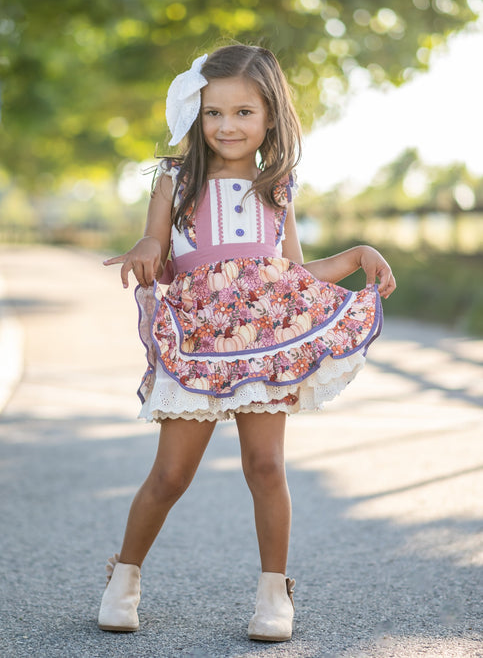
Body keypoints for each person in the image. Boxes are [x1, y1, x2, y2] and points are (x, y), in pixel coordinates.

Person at [98, 45, 396, 642]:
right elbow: (155, 247)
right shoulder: (174, 179)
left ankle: (273, 591)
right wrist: (145, 251)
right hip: (201, 344)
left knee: (266, 466)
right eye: (213, 113)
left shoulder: (277, 185)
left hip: (264, 344)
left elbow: (293, 273)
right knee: (172, 474)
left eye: (243, 112)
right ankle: (123, 577)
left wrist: (359, 254)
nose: (227, 126)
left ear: (269, 116)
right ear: (195, 115)